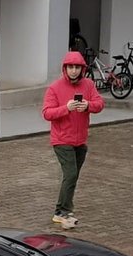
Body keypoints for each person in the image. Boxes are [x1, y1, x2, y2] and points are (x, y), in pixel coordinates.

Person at [42, 50, 104, 228]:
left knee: (73, 176)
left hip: (80, 140)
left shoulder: (89, 85)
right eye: (71, 67)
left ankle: (64, 209)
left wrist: (88, 106)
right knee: (70, 174)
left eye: (77, 67)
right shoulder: (55, 88)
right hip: (61, 140)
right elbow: (47, 113)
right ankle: (61, 212)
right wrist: (66, 108)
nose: (74, 71)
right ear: (65, 68)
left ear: (82, 69)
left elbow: (100, 104)